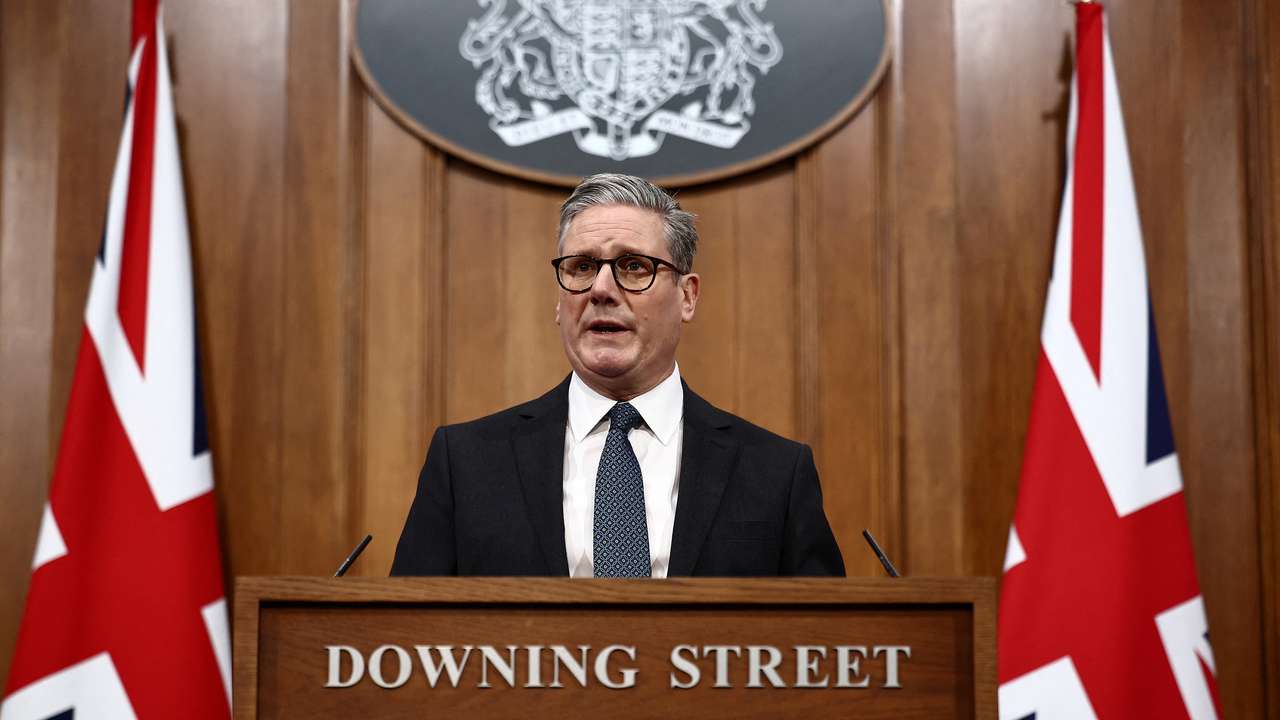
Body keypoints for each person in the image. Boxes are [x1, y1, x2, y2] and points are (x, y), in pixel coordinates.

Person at [391, 173, 844, 577]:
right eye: (582, 267)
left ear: (687, 297)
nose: (602, 290)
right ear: (559, 298)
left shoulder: (776, 473)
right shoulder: (465, 464)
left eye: (633, 267)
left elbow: (825, 651)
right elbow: (403, 640)